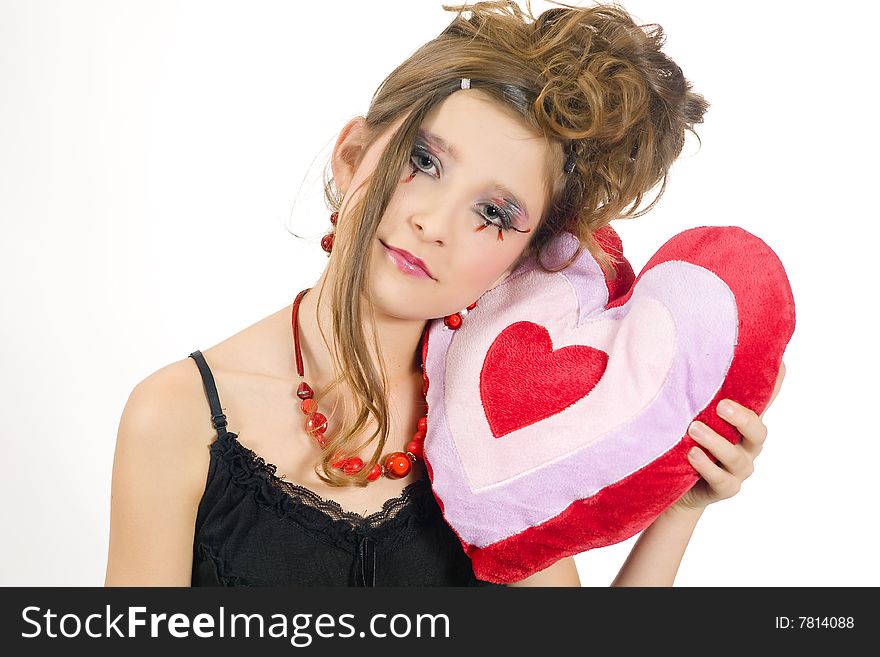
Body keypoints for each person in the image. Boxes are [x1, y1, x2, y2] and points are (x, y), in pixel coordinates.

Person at [104, 0, 786, 587]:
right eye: (423, 161)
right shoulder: (176, 416)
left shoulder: (495, 425)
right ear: (352, 155)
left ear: (521, 258)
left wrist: (677, 504)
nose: (433, 223)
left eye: (493, 213)